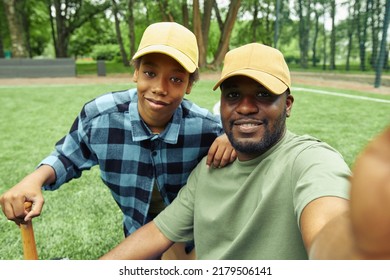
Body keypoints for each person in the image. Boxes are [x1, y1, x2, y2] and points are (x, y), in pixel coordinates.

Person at [99, 43, 390, 260]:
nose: (246, 107)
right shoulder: (209, 168)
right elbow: (158, 232)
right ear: (222, 104)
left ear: (287, 105)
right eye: (234, 95)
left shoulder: (310, 159)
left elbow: (328, 226)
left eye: (263, 94)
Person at [0, 22, 235, 257]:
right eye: (150, 73)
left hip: (189, 238)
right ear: (135, 72)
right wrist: (34, 179)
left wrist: (230, 137)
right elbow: (67, 155)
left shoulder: (206, 128)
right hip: (136, 234)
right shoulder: (100, 116)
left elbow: (250, 142)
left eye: (175, 79)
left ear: (190, 85)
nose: (160, 88)